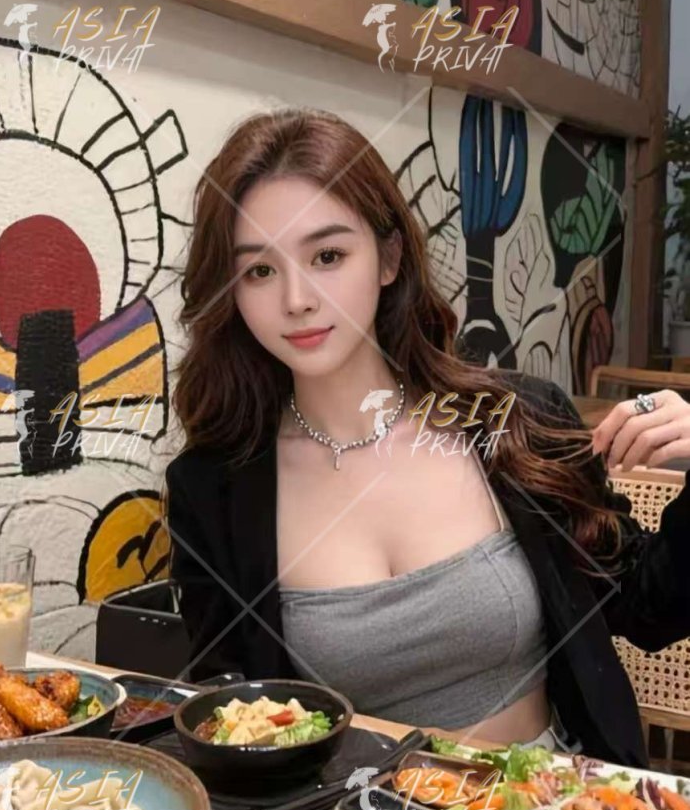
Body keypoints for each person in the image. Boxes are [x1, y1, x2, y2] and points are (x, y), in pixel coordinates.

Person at [163, 107, 690, 768]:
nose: (296, 299)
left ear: (388, 258)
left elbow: (650, 609)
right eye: (259, 271)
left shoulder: (516, 421)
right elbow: (227, 713)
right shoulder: (213, 487)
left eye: (328, 256)